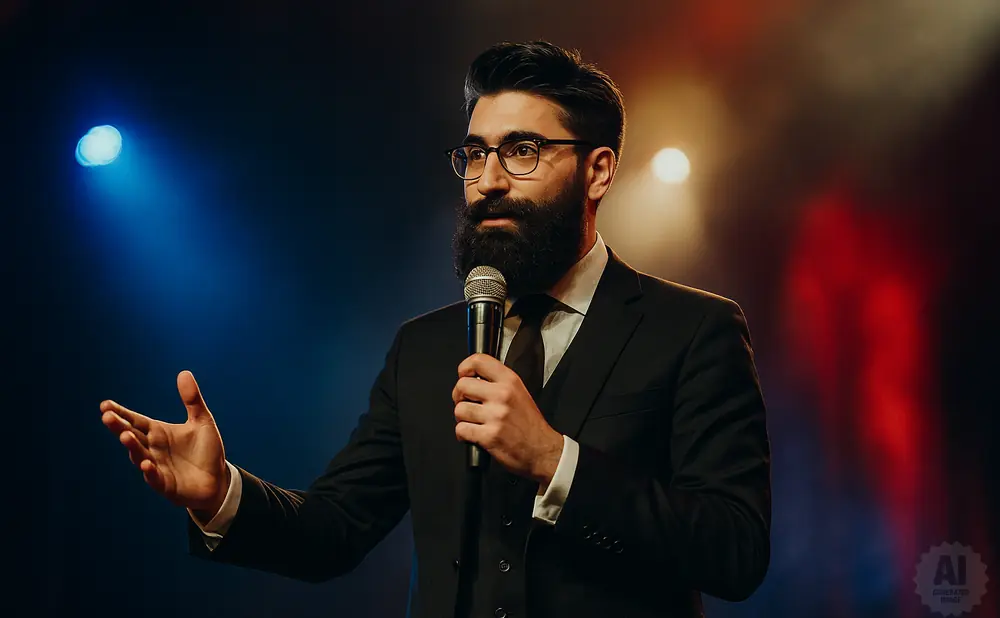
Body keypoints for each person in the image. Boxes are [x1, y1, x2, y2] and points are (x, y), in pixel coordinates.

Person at [101, 40, 771, 618]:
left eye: (523, 151)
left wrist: (553, 460)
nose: (489, 181)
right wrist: (222, 492)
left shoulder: (693, 330)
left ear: (598, 170)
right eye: (474, 155)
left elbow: (735, 550)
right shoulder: (424, 350)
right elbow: (334, 531)